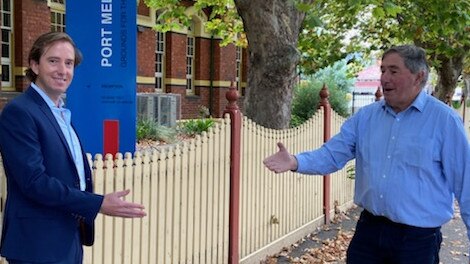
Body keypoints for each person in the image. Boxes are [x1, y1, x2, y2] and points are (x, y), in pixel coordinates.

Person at [263, 45, 470, 264]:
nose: (385, 78)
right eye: (382, 70)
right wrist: (295, 161)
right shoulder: (366, 118)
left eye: (393, 71)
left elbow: (465, 183)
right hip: (369, 233)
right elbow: (333, 154)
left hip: (417, 241)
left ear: (418, 77)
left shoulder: (444, 122)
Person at [0, 32, 146, 264]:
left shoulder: (60, 113)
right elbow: (34, 181)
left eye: (68, 63)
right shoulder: (20, 112)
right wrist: (97, 203)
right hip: (37, 246)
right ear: (34, 65)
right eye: (53, 61)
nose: (62, 70)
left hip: (68, 239)